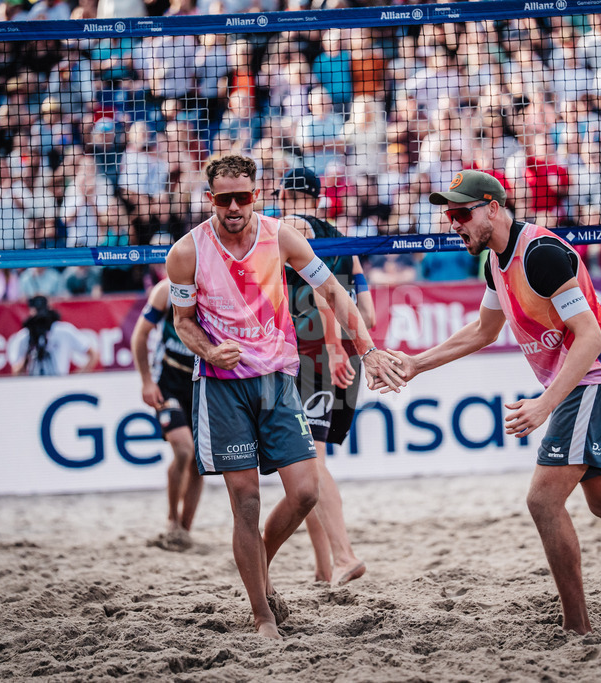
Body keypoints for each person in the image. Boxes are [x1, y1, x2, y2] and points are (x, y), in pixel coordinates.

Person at [376, 170, 601, 635]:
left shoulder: (542, 254)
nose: (453, 223)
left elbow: (589, 338)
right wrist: (416, 364)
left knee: (543, 501)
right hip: (584, 379)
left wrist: (546, 404)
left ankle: (576, 627)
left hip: (594, 375)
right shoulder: (494, 259)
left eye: (460, 213)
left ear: (493, 207)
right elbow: (484, 331)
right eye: (449, 215)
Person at [163, 155, 405, 639]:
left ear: (256, 194)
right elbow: (181, 321)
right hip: (223, 386)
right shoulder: (186, 253)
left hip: (277, 379)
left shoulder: (281, 237)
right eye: (223, 198)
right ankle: (262, 615)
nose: (234, 206)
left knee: (305, 491)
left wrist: (367, 350)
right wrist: (212, 349)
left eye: (243, 197)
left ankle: (261, 566)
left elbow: (334, 291)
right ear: (209, 198)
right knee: (247, 503)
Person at [276, 167, 371, 586]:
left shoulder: (290, 227)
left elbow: (319, 293)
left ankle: (344, 555)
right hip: (343, 356)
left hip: (315, 354)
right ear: (318, 197)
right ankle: (323, 569)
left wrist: (331, 351)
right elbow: (365, 310)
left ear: (282, 194)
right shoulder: (343, 239)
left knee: (311, 461)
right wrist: (356, 350)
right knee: (309, 459)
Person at [131, 279, 204, 551]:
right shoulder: (166, 290)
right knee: (184, 450)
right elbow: (140, 335)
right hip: (169, 380)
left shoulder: (220, 282)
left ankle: (185, 530)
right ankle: (172, 519)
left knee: (200, 461)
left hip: (203, 382)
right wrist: (147, 381)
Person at [8, 296, 100, 376]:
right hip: (34, 387)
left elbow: (93, 354)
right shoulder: (25, 336)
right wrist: (30, 351)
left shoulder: (63, 331)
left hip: (59, 386)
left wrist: (75, 379)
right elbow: (16, 371)